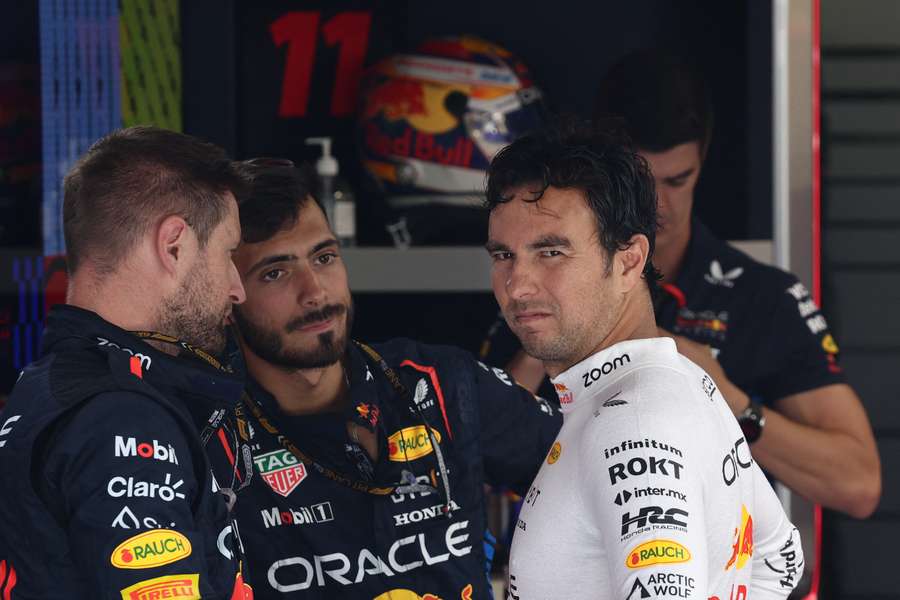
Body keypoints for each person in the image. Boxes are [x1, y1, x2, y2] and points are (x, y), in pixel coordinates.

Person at [482, 49, 881, 518]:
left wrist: (730, 402)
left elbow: (859, 484)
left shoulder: (760, 297)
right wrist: (545, 334)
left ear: (704, 160)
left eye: (677, 179)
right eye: (641, 180)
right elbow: (461, 469)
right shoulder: (519, 274)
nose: (658, 205)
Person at [488, 120, 803, 599]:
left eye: (551, 251)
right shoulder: (677, 379)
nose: (517, 283)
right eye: (504, 255)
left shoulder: (632, 423)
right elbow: (781, 558)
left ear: (629, 260)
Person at [225, 159, 561, 599]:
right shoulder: (210, 438)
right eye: (275, 272)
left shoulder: (439, 382)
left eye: (324, 257)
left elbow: (596, 471)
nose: (315, 292)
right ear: (227, 295)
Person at [0, 127, 254, 599]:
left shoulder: (49, 386)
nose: (237, 288)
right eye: (228, 254)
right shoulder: (122, 417)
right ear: (174, 246)